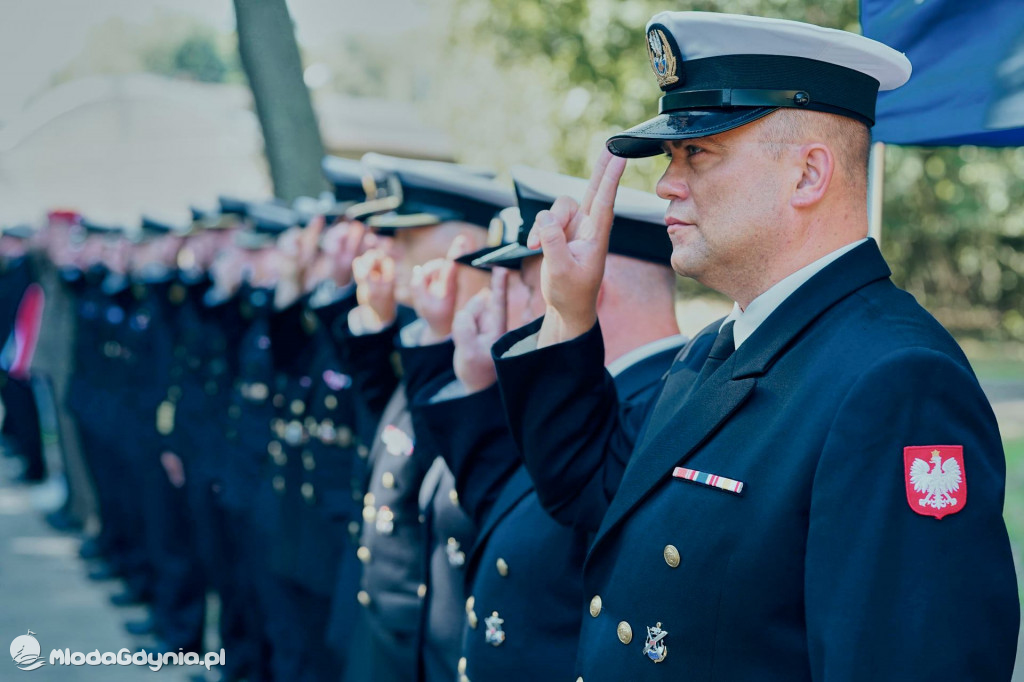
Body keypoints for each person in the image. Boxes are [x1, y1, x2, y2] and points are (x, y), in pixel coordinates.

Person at [490, 12, 1019, 681]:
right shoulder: (717, 348)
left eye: (698, 154)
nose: (666, 184)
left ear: (807, 175)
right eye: (673, 157)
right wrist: (569, 312)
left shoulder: (898, 382)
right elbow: (588, 491)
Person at [409, 165, 686, 682]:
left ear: (590, 287)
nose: (512, 308)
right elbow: (498, 509)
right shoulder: (573, 402)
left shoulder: (666, 410)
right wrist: (478, 384)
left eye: (528, 285)